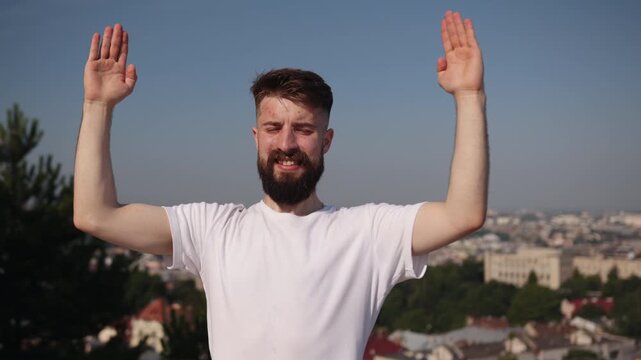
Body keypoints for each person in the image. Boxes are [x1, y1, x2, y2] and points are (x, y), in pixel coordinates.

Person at [74, 10, 488, 360]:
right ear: (256, 137)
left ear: (326, 141)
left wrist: (469, 95)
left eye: (304, 129)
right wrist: (97, 107)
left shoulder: (366, 234)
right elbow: (95, 215)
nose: (286, 144)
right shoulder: (214, 230)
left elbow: (463, 215)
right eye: (273, 127)